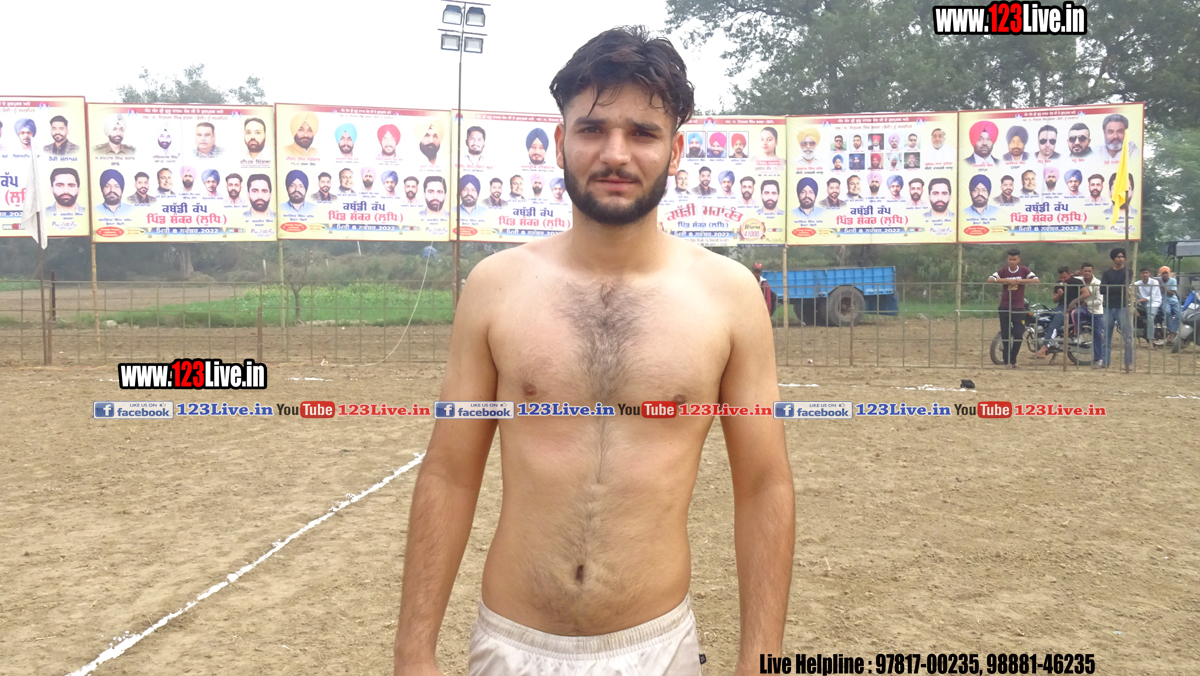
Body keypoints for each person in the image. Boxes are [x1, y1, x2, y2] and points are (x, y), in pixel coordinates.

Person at [393, 27, 792, 676]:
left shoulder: (728, 297)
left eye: (643, 132)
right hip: (511, 645)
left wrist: (761, 660)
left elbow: (764, 483)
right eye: (592, 129)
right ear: (560, 141)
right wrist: (413, 651)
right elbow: (449, 472)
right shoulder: (496, 288)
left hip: (655, 648)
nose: (615, 153)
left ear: (675, 150)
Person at [987, 248, 1039, 368]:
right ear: (1008, 259)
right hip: (1004, 306)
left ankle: (1014, 359)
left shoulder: (1024, 270)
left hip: (1019, 307)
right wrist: (1006, 281)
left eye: (1014, 259)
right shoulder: (1004, 271)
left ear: (1018, 260)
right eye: (1010, 259)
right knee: (1005, 335)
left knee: (1018, 334)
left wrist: (1019, 281)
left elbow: (1036, 280)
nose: (1012, 261)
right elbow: (990, 279)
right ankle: (1007, 361)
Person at [1036, 266, 1088, 359]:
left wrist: (1074, 302)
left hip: (1071, 308)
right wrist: (1059, 295)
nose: (1062, 279)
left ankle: (1044, 349)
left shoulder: (1076, 282)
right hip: (1060, 307)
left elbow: (1086, 293)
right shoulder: (1059, 284)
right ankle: (1046, 339)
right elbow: (1054, 300)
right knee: (1043, 316)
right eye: (1061, 277)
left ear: (1069, 274)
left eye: (1064, 277)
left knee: (1054, 324)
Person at [1100, 247, 1134, 370]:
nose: (1120, 259)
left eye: (1122, 256)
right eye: (1118, 256)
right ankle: (1105, 361)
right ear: (1113, 258)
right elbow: (1102, 289)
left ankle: (1128, 363)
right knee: (1106, 336)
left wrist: (1110, 287)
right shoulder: (1107, 273)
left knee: (1127, 336)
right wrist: (1117, 288)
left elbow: (1124, 286)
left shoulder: (1128, 271)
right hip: (1108, 306)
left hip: (1122, 306)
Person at [1078, 262, 1105, 364]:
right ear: (1082, 271)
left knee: (1097, 334)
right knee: (1075, 316)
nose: (1087, 273)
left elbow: (1099, 301)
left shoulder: (1097, 283)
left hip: (1096, 310)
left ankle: (1098, 357)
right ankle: (1078, 336)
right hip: (1082, 308)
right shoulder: (1078, 280)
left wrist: (1086, 303)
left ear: (1092, 271)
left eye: (1089, 271)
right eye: (1085, 271)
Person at [1134, 267, 1162, 344]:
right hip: (1143, 302)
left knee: (1150, 319)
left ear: (1149, 274)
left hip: (1153, 302)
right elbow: (1130, 287)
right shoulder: (1138, 283)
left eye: (1146, 273)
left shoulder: (1154, 282)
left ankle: (1151, 340)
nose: (1145, 274)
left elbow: (1152, 296)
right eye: (1143, 273)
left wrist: (1138, 300)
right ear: (1140, 274)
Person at [1159, 266, 1181, 344]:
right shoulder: (1158, 279)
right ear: (1161, 274)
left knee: (1179, 315)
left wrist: (1162, 286)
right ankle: (1170, 331)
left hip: (1173, 300)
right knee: (1167, 312)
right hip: (1163, 299)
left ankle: (1172, 332)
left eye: (1166, 273)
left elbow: (1171, 293)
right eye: (1163, 273)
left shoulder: (1173, 280)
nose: (1165, 275)